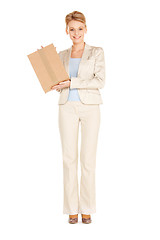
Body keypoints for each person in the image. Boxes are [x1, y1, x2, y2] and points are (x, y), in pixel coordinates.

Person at [51, 11, 105, 224]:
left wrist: (72, 82)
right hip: (67, 107)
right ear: (67, 30)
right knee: (68, 159)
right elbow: (58, 83)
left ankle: (87, 208)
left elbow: (100, 80)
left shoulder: (96, 52)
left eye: (79, 28)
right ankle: (72, 209)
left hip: (90, 107)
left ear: (85, 29)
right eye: (72, 29)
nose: (76, 33)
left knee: (88, 160)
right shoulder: (62, 55)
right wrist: (45, 65)